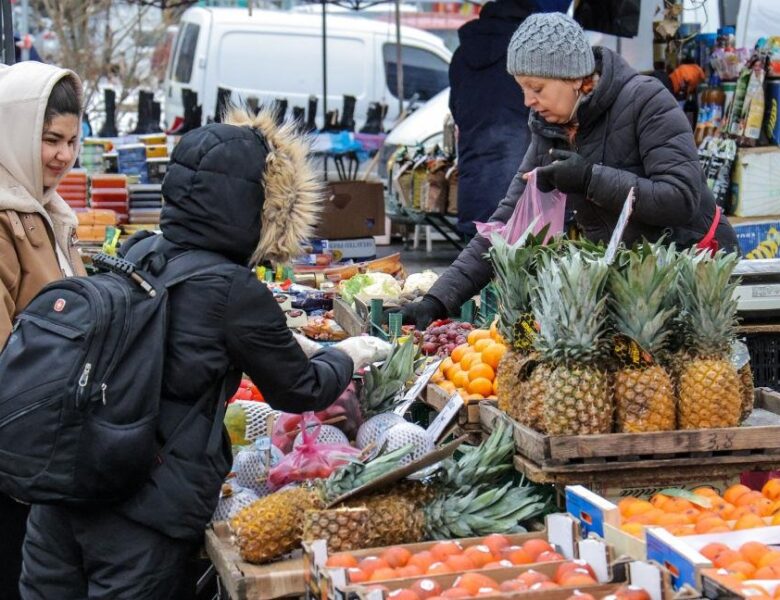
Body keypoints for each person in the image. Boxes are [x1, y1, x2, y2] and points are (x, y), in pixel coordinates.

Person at [18, 105, 390, 599]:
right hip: (144, 510)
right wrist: (347, 354)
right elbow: (300, 389)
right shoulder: (232, 289)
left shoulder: (140, 251)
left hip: (65, 491)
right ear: (264, 204)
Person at [403, 12, 739, 329]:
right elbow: (508, 221)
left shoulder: (646, 101)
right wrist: (438, 300)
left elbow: (680, 198)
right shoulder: (550, 128)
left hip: (697, 271)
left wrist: (590, 178)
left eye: (537, 88)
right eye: (522, 89)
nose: (528, 101)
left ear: (576, 77)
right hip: (634, 288)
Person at [0, 61, 85, 600]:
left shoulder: (49, 211)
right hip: (15, 451)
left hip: (46, 447)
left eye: (72, 142)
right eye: (50, 139)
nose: (63, 155)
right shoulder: (5, 219)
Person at [448, 0, 536, 234]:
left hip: (474, 169)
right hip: (516, 168)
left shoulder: (462, 53)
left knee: (475, 245)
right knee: (515, 245)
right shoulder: (525, 52)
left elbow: (455, 107)